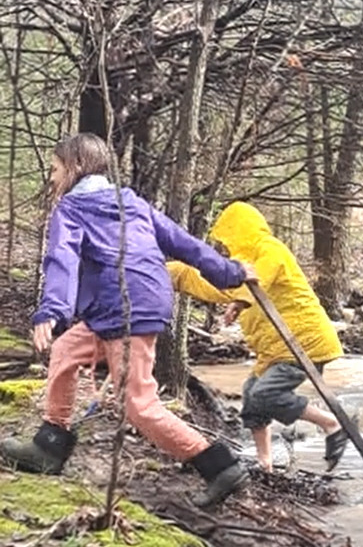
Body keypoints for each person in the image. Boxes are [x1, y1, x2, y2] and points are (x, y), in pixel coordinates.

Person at [0, 133, 253, 506]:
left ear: (77, 167)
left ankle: (218, 466)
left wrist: (52, 309)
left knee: (139, 406)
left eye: (54, 169)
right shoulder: (131, 202)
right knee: (66, 350)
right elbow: (184, 243)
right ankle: (49, 445)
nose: (51, 179)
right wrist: (228, 272)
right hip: (122, 305)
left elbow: (63, 260)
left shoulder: (71, 209)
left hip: (124, 309)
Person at [168, 202, 346, 472]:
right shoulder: (245, 262)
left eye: (230, 238)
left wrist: (239, 302)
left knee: (265, 395)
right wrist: (179, 274)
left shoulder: (270, 249)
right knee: (252, 398)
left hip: (303, 343)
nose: (226, 246)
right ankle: (266, 463)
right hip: (277, 347)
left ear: (242, 231)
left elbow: (257, 282)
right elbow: (228, 288)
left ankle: (332, 424)